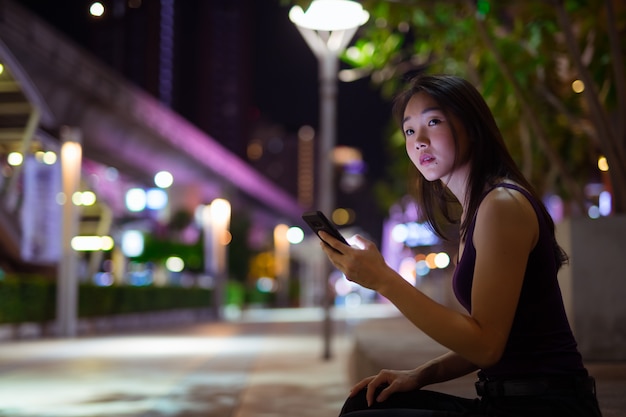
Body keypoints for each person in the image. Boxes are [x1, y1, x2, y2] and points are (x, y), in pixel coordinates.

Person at [318, 74, 603, 417]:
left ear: (473, 126)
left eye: (433, 122)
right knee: (366, 401)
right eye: (409, 131)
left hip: (547, 406)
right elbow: (491, 336)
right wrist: (419, 375)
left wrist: (383, 279)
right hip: (506, 400)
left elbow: (486, 345)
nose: (419, 141)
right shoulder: (480, 209)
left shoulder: (502, 205)